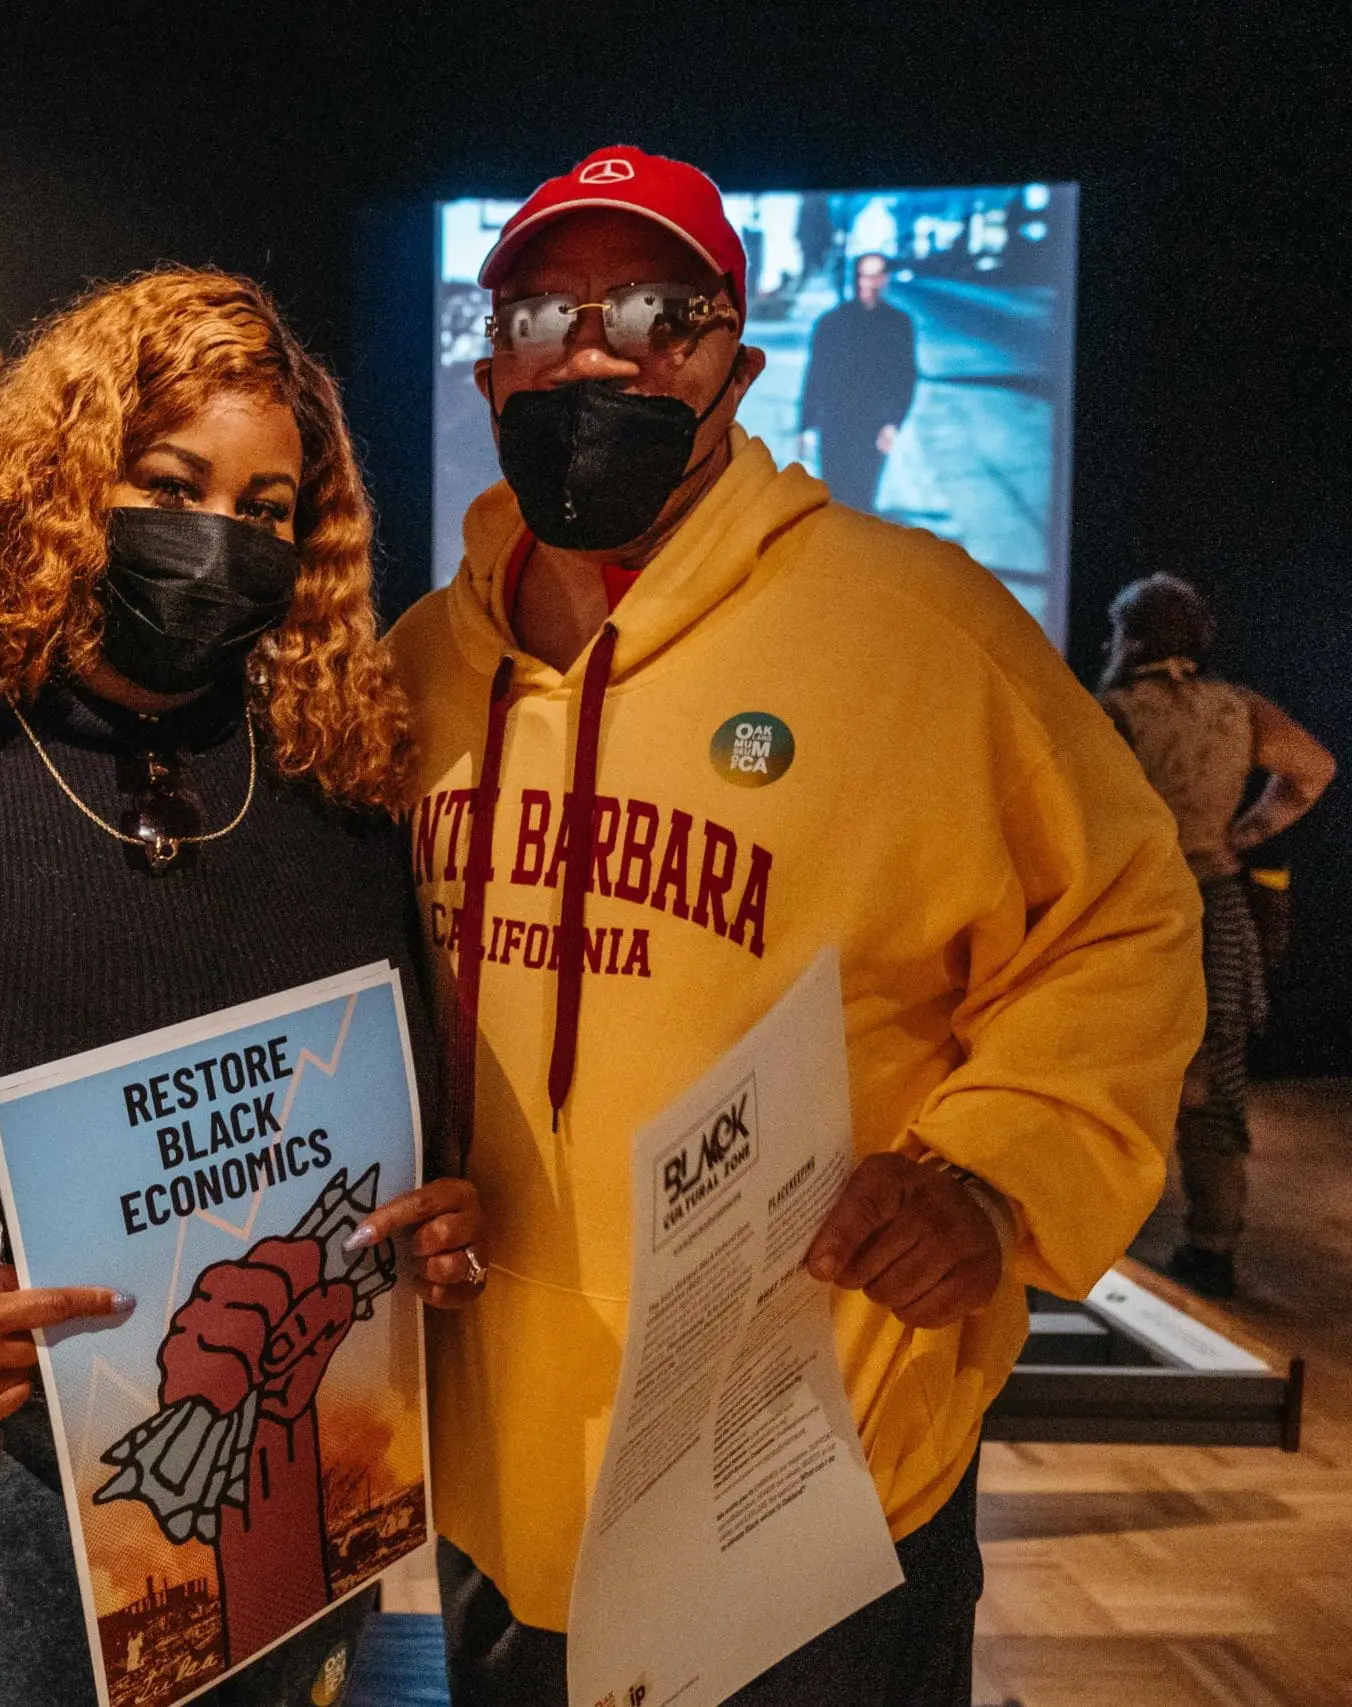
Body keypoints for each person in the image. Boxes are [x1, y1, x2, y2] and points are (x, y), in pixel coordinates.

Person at [389, 145, 1202, 1705]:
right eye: (546, 307)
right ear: (490, 360)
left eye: (656, 307)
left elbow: (1125, 913)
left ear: (736, 359)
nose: (599, 348)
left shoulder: (918, 626)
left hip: (805, 1469)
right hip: (500, 1473)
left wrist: (988, 1174)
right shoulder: (425, 664)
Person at [0, 268, 485, 1707]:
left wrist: (433, 1216)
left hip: (290, 1425)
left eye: (268, 511)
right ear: (66, 489)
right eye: (174, 483)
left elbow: (409, 1102)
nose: (221, 539)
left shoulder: (342, 802)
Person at [1098, 573, 1335, 1298]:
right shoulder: (1239, 708)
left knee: (1108, 1075)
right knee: (1214, 1083)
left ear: (1130, 638)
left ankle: (1094, 1234)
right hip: (1218, 904)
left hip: (1134, 913)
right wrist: (1245, 831)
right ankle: (1212, 1244)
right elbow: (1314, 769)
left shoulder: (1113, 712)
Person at [798, 252, 918, 514]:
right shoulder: (830, 323)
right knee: (834, 498)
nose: (868, 284)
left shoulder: (899, 325)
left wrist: (893, 424)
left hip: (873, 427)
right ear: (854, 279)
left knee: (863, 498)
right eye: (863, 276)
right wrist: (806, 426)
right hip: (834, 425)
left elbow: (906, 378)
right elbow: (815, 376)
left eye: (875, 276)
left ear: (885, 280)